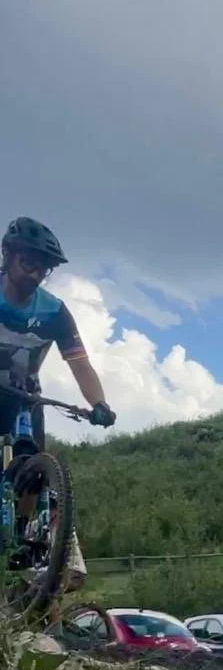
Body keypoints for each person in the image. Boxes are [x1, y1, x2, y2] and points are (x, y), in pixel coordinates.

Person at [0, 217, 116, 589]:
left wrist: (99, 403)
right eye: (29, 263)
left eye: (44, 268)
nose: (36, 274)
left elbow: (80, 364)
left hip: (24, 392)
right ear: (8, 255)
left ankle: (25, 539)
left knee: (33, 463)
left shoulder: (54, 312)